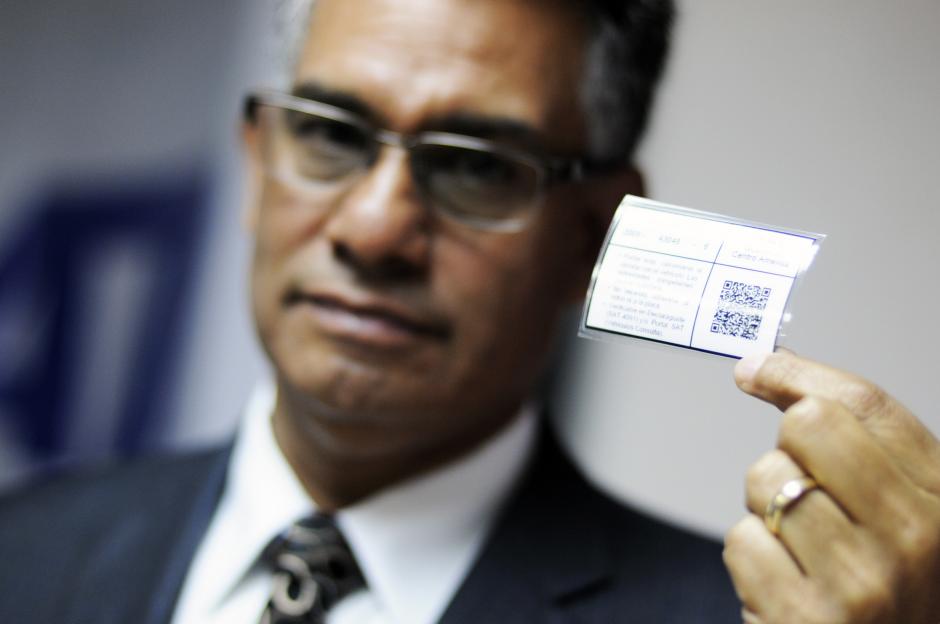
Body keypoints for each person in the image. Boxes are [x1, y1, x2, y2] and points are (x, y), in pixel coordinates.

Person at [2, 1, 939, 623]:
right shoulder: (23, 548)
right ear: (257, 161)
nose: (373, 231)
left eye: (477, 165)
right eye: (330, 136)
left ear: (592, 237)